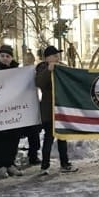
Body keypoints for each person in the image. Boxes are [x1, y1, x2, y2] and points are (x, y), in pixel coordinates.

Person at [0, 45, 23, 176]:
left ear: (11, 58)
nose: (5, 58)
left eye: (7, 56)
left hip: (13, 110)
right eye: (2, 56)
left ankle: (10, 163)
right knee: (0, 138)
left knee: (13, 137)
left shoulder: (17, 71)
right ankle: (0, 164)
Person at [35, 46, 73, 174]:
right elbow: (39, 82)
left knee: (62, 137)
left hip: (60, 109)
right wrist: (49, 70)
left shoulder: (61, 67)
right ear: (47, 58)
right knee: (49, 138)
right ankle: (44, 166)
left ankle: (65, 163)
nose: (57, 58)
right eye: (55, 55)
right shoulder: (42, 67)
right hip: (48, 110)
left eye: (58, 55)